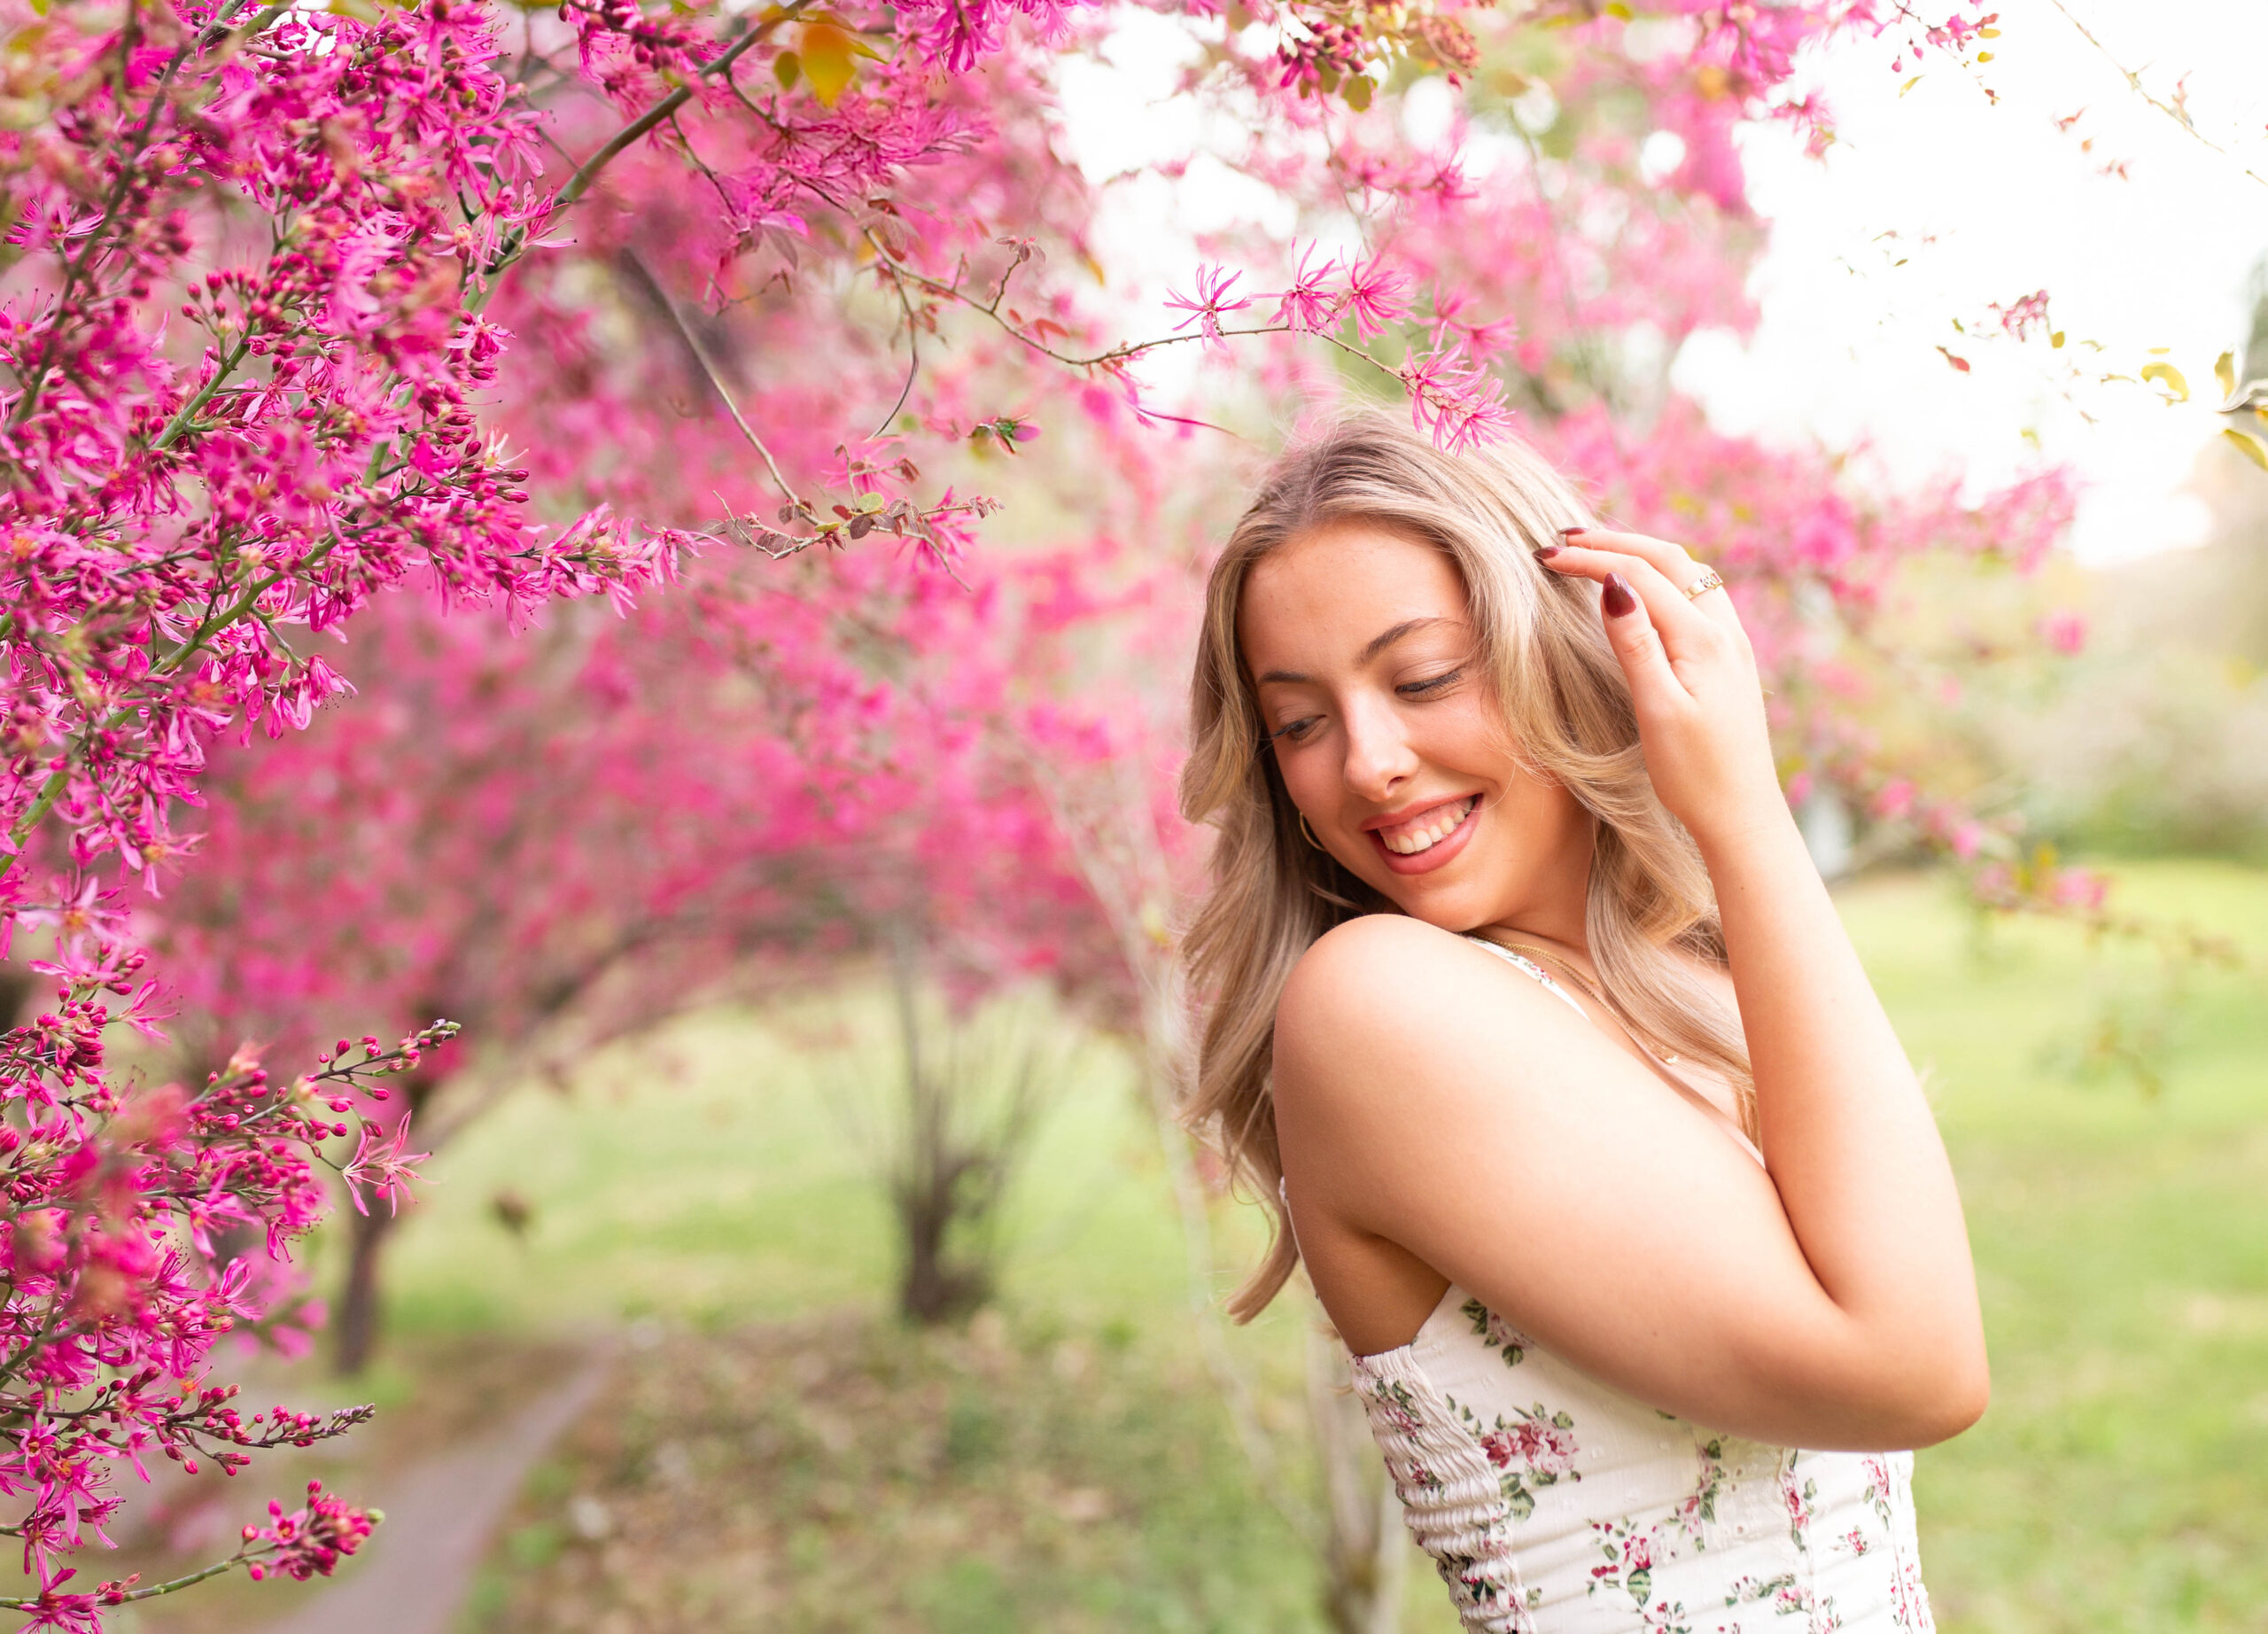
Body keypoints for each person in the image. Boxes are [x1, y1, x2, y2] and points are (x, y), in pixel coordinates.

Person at [1178, 412, 1987, 1632]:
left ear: (1562, 646)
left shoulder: (1704, 988)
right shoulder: (1376, 1005)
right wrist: (1748, 815)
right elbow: (1914, 1368)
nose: (1369, 762)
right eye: (1302, 722)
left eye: (1423, 678)